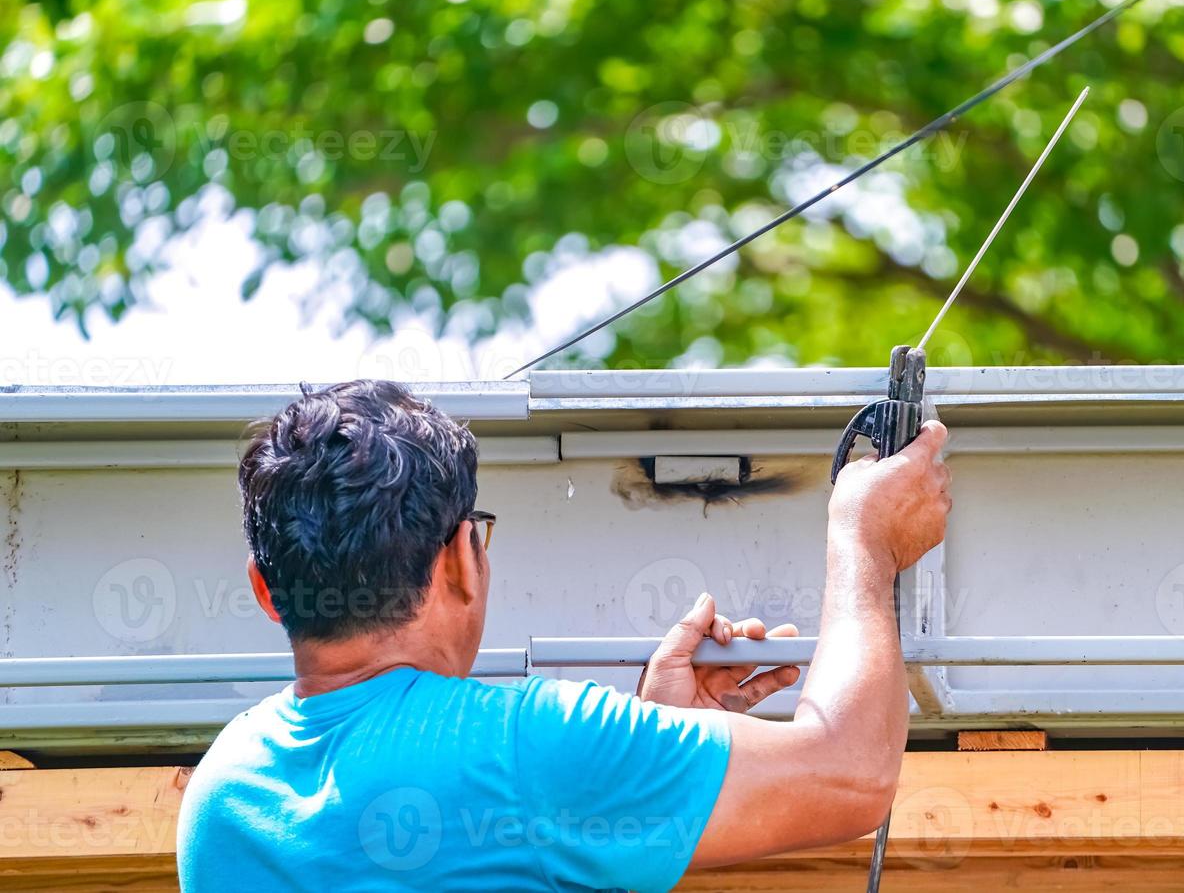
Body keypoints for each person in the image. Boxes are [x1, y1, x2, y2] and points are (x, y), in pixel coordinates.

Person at [177, 379, 951, 891]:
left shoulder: (220, 796)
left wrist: (662, 734)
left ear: (267, 592)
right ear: (460, 561)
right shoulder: (528, 744)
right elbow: (849, 773)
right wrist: (865, 542)